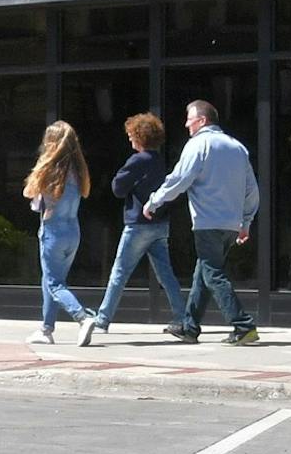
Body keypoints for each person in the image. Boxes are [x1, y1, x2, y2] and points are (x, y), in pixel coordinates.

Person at [143, 98, 261, 344]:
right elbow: (252, 190)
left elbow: (179, 179)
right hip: (231, 225)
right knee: (203, 273)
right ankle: (189, 326)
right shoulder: (237, 147)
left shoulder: (199, 145)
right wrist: (246, 221)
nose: (187, 125)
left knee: (212, 273)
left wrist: (154, 201)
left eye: (190, 119)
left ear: (202, 120)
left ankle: (243, 325)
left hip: (208, 222)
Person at [85, 111, 191, 344]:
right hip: (160, 224)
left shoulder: (138, 160)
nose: (130, 139)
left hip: (138, 225)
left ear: (140, 137)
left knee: (119, 272)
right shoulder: (159, 161)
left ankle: (102, 319)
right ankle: (183, 317)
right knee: (166, 274)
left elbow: (117, 187)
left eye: (132, 135)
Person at [23, 120, 97, 344]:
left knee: (54, 284)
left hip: (52, 231)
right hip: (72, 231)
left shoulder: (49, 169)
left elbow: (28, 192)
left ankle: (82, 317)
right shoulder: (78, 171)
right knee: (53, 281)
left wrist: (40, 167)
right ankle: (46, 329)